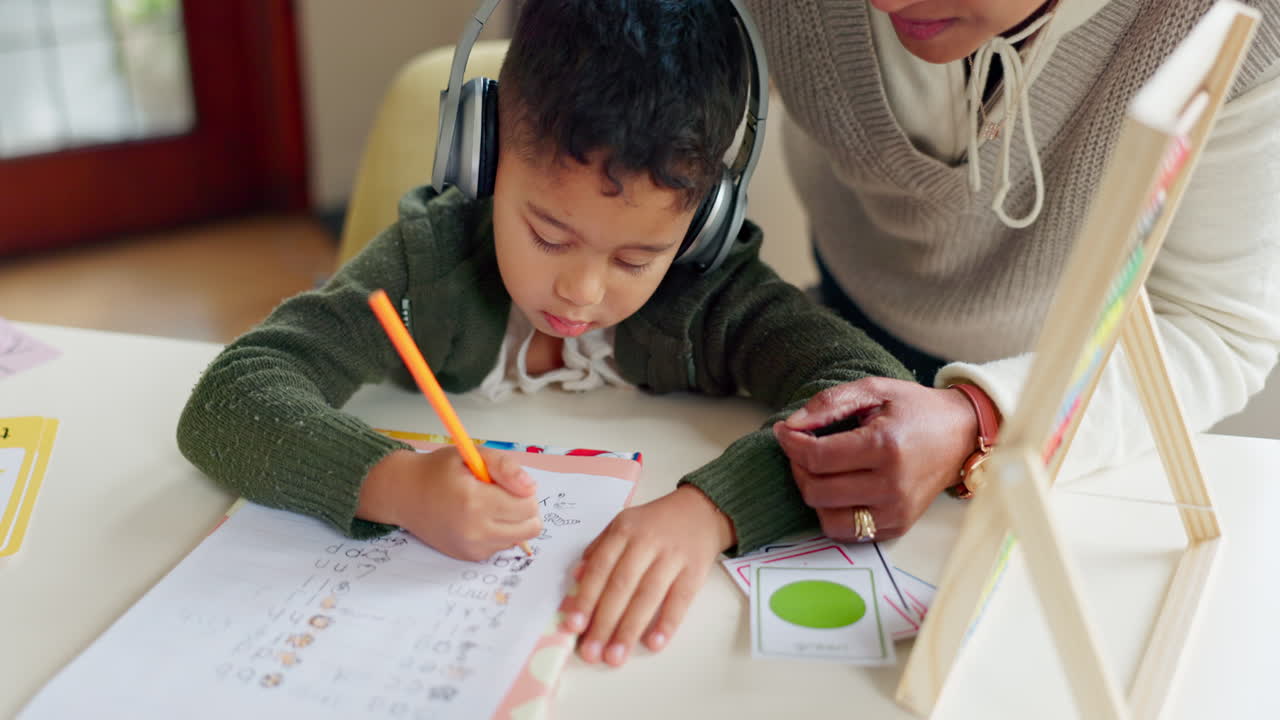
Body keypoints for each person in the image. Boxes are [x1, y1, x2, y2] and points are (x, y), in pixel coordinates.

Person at [176, 0, 911, 668]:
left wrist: (710, 512)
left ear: (706, 220)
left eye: (635, 258)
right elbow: (231, 397)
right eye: (549, 234)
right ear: (484, 154)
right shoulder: (424, 271)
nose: (582, 292)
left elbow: (875, 409)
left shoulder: (714, 293)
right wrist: (394, 484)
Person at [733, 0, 1280, 546]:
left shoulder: (1244, 25)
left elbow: (1219, 329)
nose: (884, 3)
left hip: (1075, 389)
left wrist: (984, 420)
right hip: (840, 319)